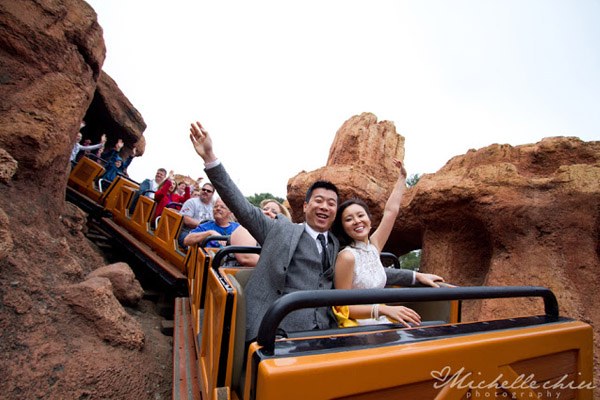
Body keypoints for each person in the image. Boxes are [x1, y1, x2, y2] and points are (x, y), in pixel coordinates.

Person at [188, 120, 422, 342]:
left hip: (325, 329)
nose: (325, 206)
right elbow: (242, 207)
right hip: (277, 328)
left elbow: (362, 272)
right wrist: (210, 157)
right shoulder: (279, 229)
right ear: (305, 206)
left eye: (331, 203)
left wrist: (415, 276)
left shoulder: (337, 244)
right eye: (318, 200)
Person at [331, 159, 447, 328]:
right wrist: (383, 310)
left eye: (361, 215)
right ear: (344, 228)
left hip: (379, 319)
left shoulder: (373, 246)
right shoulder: (347, 257)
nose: (357, 221)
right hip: (357, 325)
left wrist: (402, 178)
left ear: (370, 221)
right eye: (349, 219)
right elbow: (342, 307)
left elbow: (391, 212)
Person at [229, 198, 291, 267]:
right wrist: (282, 268)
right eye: (265, 209)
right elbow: (246, 258)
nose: (268, 212)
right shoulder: (247, 227)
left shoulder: (281, 238)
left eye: (274, 212)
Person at [177, 182, 216, 247]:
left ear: (212, 194)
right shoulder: (191, 202)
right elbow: (186, 220)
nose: (205, 191)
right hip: (187, 232)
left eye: (208, 191)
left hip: (205, 234)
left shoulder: (213, 207)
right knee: (201, 246)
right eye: (203, 189)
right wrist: (205, 227)